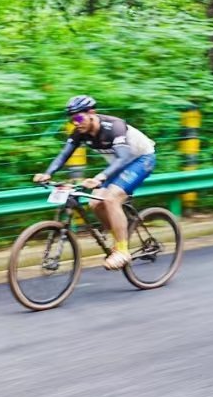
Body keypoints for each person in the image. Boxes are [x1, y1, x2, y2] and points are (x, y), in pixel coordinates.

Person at [33, 95, 157, 270]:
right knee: (94, 203)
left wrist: (100, 177)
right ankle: (119, 235)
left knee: (111, 199)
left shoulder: (114, 126)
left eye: (78, 118)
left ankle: (122, 250)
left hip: (141, 159)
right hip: (118, 164)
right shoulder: (80, 132)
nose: (75, 123)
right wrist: (47, 173)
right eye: (72, 119)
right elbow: (64, 155)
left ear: (91, 113)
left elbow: (124, 157)